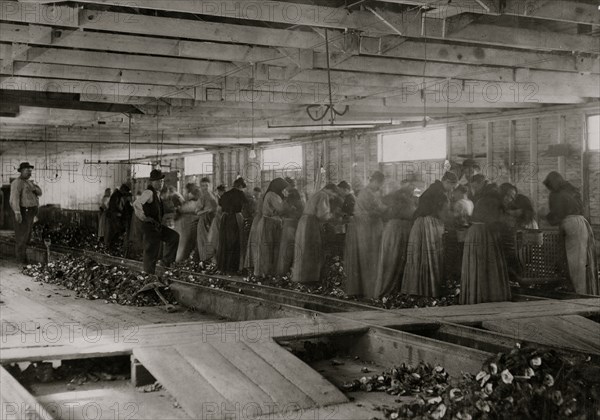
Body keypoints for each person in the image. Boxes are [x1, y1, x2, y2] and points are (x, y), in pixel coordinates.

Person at [400, 171, 458, 298]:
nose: (452, 189)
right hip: (429, 225)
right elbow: (443, 214)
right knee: (430, 255)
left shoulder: (432, 189)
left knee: (420, 256)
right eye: (452, 186)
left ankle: (417, 288)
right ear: (447, 182)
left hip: (420, 224)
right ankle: (429, 289)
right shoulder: (440, 193)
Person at [544, 172, 598, 295]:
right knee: (582, 262)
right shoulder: (571, 190)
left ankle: (580, 294)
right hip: (582, 224)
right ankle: (586, 292)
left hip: (572, 225)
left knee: (576, 264)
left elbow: (557, 215)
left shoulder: (558, 194)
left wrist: (545, 216)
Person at [460, 191, 511, 304]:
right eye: (508, 196)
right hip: (484, 234)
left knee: (478, 268)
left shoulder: (483, 201)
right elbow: (498, 221)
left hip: (475, 233)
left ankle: (476, 297)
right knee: (488, 267)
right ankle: (489, 297)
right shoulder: (493, 203)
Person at [344, 171, 387, 298]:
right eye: (379, 183)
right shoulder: (367, 193)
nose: (380, 186)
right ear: (375, 181)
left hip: (370, 228)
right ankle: (371, 291)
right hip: (367, 229)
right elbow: (376, 210)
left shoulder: (371, 193)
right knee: (370, 259)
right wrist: (388, 208)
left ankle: (370, 290)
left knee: (371, 259)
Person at [373, 181, 417, 298]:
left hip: (401, 229)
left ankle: (396, 289)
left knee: (399, 260)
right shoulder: (398, 198)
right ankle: (387, 289)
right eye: (411, 186)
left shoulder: (408, 198)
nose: (413, 189)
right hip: (396, 230)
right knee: (393, 259)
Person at [133, 169, 180, 274]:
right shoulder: (149, 192)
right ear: (152, 182)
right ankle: (148, 275)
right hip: (150, 228)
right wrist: (144, 218)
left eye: (162, 181)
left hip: (156, 226)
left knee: (174, 237)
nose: (161, 183)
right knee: (151, 252)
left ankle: (166, 262)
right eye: (158, 181)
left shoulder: (157, 194)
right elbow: (136, 204)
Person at [292, 184, 339, 284]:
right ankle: (310, 278)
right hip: (311, 223)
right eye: (334, 193)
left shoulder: (317, 193)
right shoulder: (323, 195)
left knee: (304, 248)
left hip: (304, 221)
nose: (333, 196)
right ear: (329, 190)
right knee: (312, 249)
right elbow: (322, 214)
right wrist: (333, 216)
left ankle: (303, 277)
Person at [253, 178, 289, 277]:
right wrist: (287, 201)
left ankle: (270, 271)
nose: (283, 190)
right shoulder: (272, 195)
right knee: (268, 248)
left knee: (272, 248)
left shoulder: (271, 194)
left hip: (271, 222)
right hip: (269, 223)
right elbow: (280, 209)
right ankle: (266, 271)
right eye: (282, 188)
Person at [10, 162, 42, 264]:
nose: (29, 173)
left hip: (31, 212)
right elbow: (14, 199)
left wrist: (35, 188)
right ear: (21, 171)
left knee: (27, 236)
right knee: (21, 236)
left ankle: (25, 259)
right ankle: (20, 261)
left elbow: (40, 192)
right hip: (24, 212)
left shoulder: (29, 182)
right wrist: (17, 212)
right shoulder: (17, 183)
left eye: (30, 171)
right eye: (27, 171)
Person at [216, 178, 249, 273]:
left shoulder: (225, 194)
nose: (243, 189)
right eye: (242, 187)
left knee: (225, 242)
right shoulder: (240, 194)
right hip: (235, 218)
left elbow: (220, 208)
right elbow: (246, 206)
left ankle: (224, 267)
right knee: (236, 242)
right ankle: (234, 267)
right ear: (240, 186)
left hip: (225, 218)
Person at [277, 184, 304, 275]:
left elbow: (280, 213)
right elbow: (300, 215)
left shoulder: (286, 202)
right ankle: (290, 271)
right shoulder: (300, 203)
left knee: (286, 248)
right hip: (295, 225)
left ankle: (284, 271)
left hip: (287, 225)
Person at [174, 183, 200, 262]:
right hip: (195, 228)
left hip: (187, 227)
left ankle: (177, 261)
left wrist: (178, 210)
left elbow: (182, 210)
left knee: (183, 247)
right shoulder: (198, 202)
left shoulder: (191, 204)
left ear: (190, 193)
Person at [196, 178, 218, 261]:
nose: (205, 188)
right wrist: (207, 210)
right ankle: (206, 263)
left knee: (214, 242)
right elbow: (197, 212)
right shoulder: (202, 197)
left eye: (207, 185)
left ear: (210, 186)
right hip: (204, 222)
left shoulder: (215, 195)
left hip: (214, 221)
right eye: (203, 186)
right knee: (205, 242)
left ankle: (214, 263)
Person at [105, 184, 131, 252]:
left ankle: (112, 247)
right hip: (114, 217)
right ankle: (111, 247)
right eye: (125, 193)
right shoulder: (116, 196)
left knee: (116, 232)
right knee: (115, 232)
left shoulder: (119, 195)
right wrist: (120, 213)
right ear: (123, 191)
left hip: (116, 217)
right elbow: (115, 207)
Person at [244, 187, 263, 270]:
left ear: (260, 193)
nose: (255, 195)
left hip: (257, 221)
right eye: (254, 193)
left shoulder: (259, 201)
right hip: (254, 222)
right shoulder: (253, 201)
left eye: (257, 193)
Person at [207, 184, 226, 262]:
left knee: (216, 239)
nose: (218, 193)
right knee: (215, 239)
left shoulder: (222, 199)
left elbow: (219, 210)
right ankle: (216, 258)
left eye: (219, 191)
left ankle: (217, 258)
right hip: (218, 221)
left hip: (219, 220)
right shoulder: (219, 198)